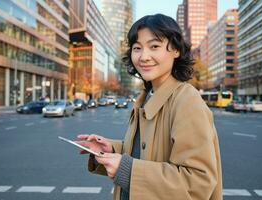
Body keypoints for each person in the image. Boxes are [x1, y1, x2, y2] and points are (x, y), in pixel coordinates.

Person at [76, 14, 222, 200]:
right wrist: (110, 149)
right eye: (137, 48)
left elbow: (197, 181)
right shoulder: (146, 97)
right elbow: (148, 152)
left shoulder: (186, 99)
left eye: (154, 46)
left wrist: (127, 170)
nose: (144, 57)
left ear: (175, 50)